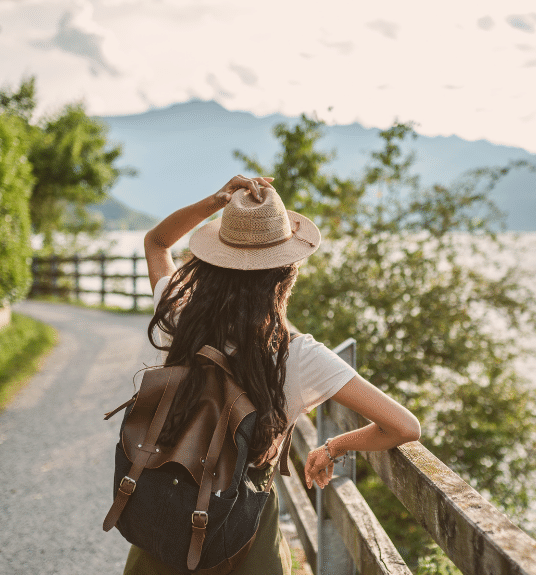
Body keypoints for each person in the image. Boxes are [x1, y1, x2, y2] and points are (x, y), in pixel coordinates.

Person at [126, 174, 420, 574]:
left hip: (165, 512)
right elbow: (403, 426)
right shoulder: (297, 355)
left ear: (212, 260)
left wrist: (218, 200)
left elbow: (156, 241)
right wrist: (333, 447)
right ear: (287, 272)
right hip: (244, 533)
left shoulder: (177, 312)